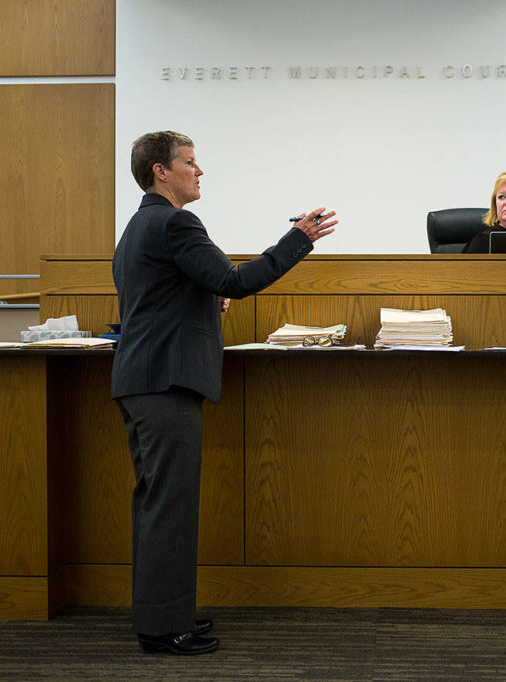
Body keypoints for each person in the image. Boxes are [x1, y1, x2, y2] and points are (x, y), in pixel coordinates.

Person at [111, 131, 337, 655]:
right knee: (169, 506)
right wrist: (298, 238)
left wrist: (202, 300)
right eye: (190, 162)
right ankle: (165, 630)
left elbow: (163, 295)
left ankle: (165, 615)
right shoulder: (175, 221)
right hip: (165, 381)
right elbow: (235, 281)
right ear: (160, 172)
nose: (200, 170)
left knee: (156, 504)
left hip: (143, 379)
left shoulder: (137, 227)